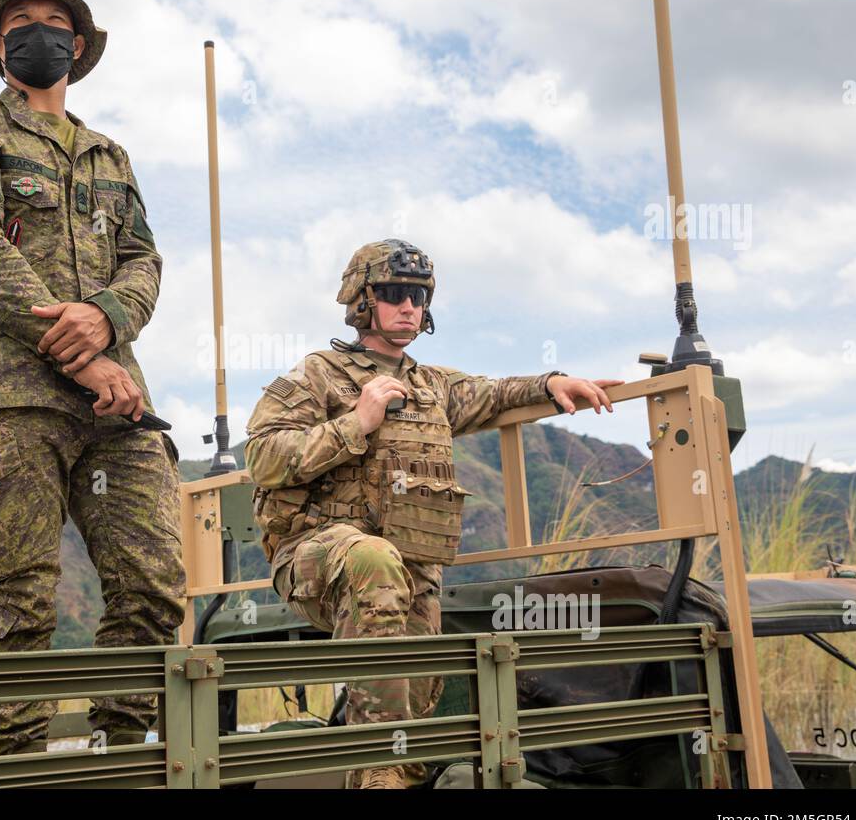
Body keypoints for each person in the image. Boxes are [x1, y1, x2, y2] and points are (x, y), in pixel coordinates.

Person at [0, 0, 185, 755]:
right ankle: (13, 763)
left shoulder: (109, 155)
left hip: (119, 404)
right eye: (22, 22)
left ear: (78, 42)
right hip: (14, 398)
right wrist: (82, 356)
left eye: (56, 22)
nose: (41, 34)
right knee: (23, 597)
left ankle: (122, 748)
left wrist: (106, 319)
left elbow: (144, 260)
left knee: (151, 584)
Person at [244, 239, 622, 788]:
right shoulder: (317, 375)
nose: (409, 307)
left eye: (419, 296)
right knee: (373, 559)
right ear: (362, 300)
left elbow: (494, 393)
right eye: (395, 294)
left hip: (409, 573)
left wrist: (551, 383)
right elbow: (263, 458)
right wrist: (358, 421)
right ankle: (376, 769)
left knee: (414, 716)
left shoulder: (432, 385)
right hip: (318, 558)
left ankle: (385, 772)